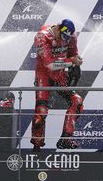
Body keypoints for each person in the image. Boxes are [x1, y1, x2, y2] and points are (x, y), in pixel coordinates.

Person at [32, 19, 84, 152]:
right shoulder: (42, 36)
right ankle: (37, 147)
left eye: (67, 38)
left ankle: (65, 139)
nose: (64, 41)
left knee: (77, 101)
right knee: (41, 112)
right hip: (43, 74)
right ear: (58, 28)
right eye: (62, 37)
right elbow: (49, 65)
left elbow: (73, 54)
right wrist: (71, 62)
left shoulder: (71, 36)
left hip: (59, 75)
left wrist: (76, 62)